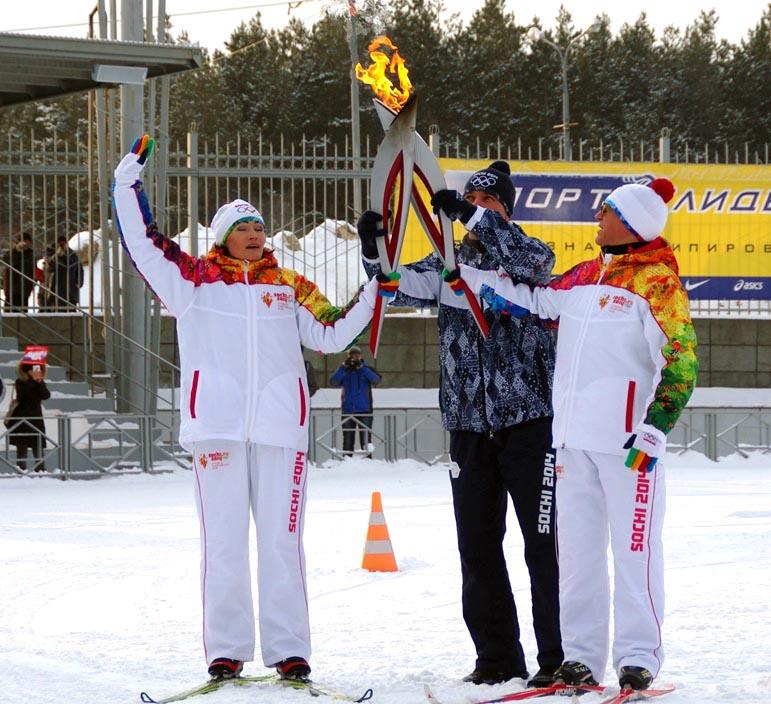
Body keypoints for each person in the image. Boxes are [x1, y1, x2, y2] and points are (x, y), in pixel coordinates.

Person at [113, 136, 396, 683]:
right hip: (215, 427)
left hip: (278, 430)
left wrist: (374, 290)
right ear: (222, 237)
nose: (255, 235)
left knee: (282, 543)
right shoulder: (193, 280)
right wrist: (128, 183)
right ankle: (226, 649)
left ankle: (290, 650)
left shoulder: (288, 284)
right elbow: (145, 244)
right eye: (243, 228)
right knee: (222, 545)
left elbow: (333, 332)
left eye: (260, 228)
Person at [456, 178, 698, 693]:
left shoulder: (657, 284)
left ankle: (638, 657)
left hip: (629, 446)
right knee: (579, 558)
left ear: (632, 223)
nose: (598, 219)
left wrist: (654, 429)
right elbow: (534, 302)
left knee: (635, 551)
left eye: (607, 212)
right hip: (571, 443)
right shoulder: (585, 276)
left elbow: (681, 361)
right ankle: (581, 658)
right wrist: (475, 278)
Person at [357, 161, 563, 687]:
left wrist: (475, 217)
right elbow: (393, 287)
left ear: (504, 208)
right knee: (476, 545)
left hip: (529, 422)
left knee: (542, 544)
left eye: (485, 201)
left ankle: (558, 657)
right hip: (468, 426)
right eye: (468, 199)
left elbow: (534, 263)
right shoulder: (447, 264)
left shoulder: (529, 256)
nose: (473, 208)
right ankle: (497, 658)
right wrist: (372, 249)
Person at [329, 346, 381, 457]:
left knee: (366, 441)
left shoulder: (367, 369)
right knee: (347, 440)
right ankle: (347, 463)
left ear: (361, 356)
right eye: (352, 356)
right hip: (348, 410)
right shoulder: (344, 370)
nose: (354, 358)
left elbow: (376, 379)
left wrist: (362, 368)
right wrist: (343, 367)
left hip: (365, 410)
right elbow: (333, 382)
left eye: (357, 355)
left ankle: (368, 463)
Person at [7, 347, 51, 472]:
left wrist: (39, 381)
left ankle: (41, 471)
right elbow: (25, 395)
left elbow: (46, 395)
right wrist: (33, 380)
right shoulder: (20, 382)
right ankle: (21, 473)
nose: (35, 371)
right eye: (32, 369)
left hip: (36, 419)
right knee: (22, 452)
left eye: (37, 368)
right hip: (22, 419)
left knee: (38, 450)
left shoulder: (39, 382)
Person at [47, 235, 83, 310]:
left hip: (70, 290)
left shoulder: (73, 255)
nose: (62, 246)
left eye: (64, 244)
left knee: (71, 312)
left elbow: (79, 269)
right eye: (60, 244)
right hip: (56, 290)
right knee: (57, 312)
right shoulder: (52, 254)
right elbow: (49, 268)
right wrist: (57, 256)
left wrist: (78, 282)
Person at [3, 232, 35, 312]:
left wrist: (31, 284)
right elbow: (7, 261)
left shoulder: (30, 254)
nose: (25, 244)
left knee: (23, 313)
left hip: (25, 289)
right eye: (24, 241)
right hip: (12, 288)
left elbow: (33, 269)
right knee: (9, 312)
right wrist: (17, 251)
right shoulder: (12, 252)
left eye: (27, 242)